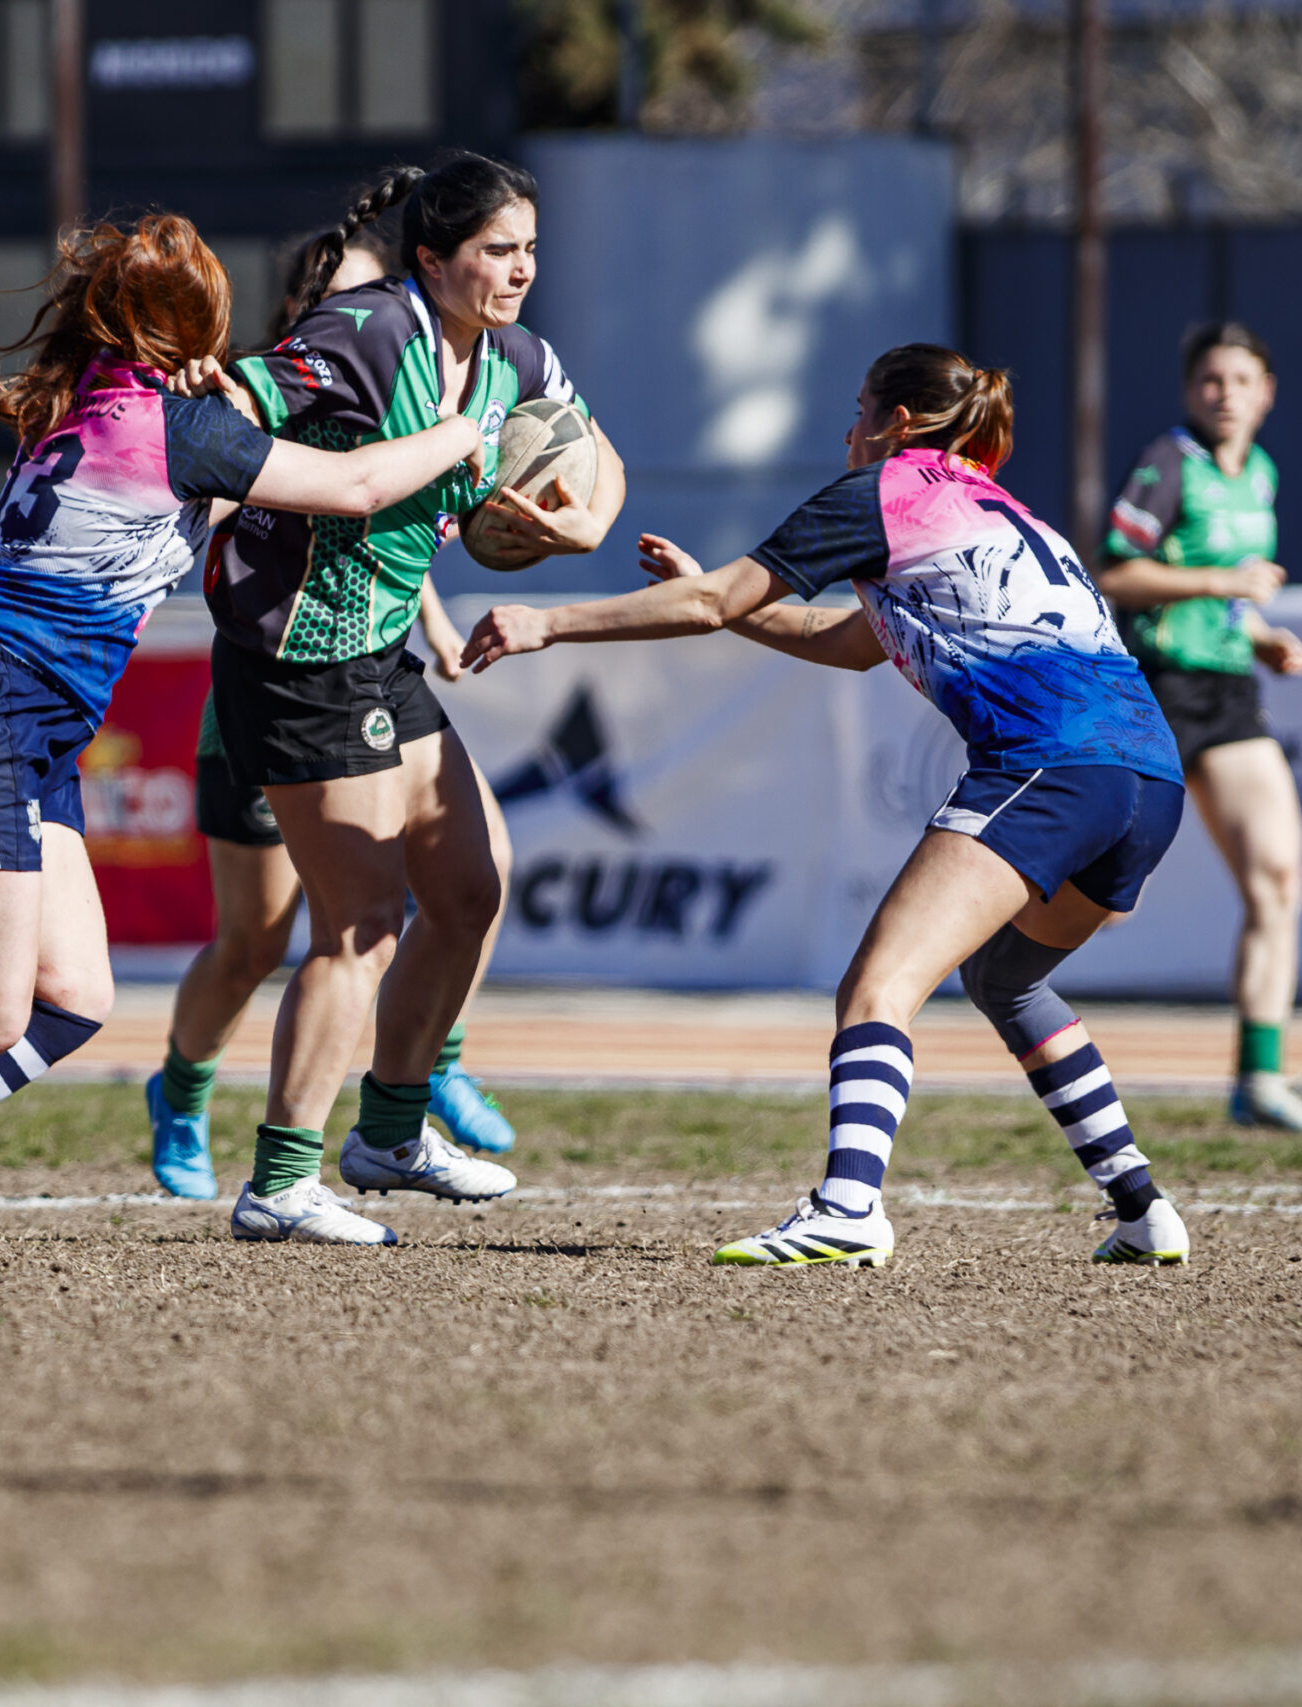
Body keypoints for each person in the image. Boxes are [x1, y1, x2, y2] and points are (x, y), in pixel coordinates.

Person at [0, 212, 494, 1247]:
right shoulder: (180, 427)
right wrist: (469, 428)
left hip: (18, 719)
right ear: (191, 328)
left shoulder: (91, 399)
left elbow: (225, 495)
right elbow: (353, 487)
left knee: (71, 999)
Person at [463, 343, 1192, 1268]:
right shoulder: (1004, 511)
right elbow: (848, 641)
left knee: (877, 987)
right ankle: (1142, 1207)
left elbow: (714, 602)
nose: (849, 430)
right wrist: (719, 597)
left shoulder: (883, 491)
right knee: (1007, 980)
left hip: (1054, 762)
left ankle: (849, 1207)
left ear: (897, 422)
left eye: (859, 410)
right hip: (1149, 777)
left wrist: (548, 621)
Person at [190, 152, 624, 1245]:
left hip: (378, 651)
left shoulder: (518, 357)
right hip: (295, 654)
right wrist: (214, 403)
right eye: (497, 250)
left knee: (472, 885)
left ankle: (388, 1133)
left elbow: (596, 452)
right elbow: (235, 403)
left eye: (530, 249)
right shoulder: (369, 329)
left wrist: (588, 521)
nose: (521, 270)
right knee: (360, 923)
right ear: (431, 259)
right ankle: (280, 1183)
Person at [146, 218, 518, 1204]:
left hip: (371, 670)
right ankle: (182, 1092)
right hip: (278, 682)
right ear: (304, 312)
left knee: (465, 879)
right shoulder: (276, 396)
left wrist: (438, 618)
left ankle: (423, 1075)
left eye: (377, 296)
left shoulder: (422, 374)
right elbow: (303, 502)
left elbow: (388, 532)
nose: (369, 315)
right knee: (259, 941)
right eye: (345, 300)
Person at [1097, 322, 1302, 1129]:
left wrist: (1259, 636)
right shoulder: (1169, 462)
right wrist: (1225, 582)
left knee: (1279, 877)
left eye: (1241, 380)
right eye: (1211, 380)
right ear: (1190, 390)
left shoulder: (1261, 473)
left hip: (1229, 694)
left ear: (1267, 392)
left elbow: (1230, 602)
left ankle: (1259, 1078)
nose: (1226, 395)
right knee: (1104, 901)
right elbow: (1117, 572)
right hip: (1158, 689)